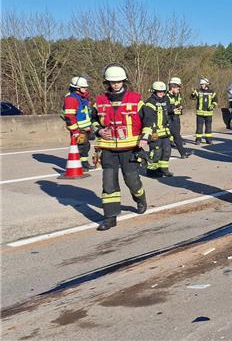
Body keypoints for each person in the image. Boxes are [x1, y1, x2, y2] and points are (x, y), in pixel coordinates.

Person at [92, 64, 148, 231]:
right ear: (107, 82)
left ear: (124, 81)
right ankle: (110, 217)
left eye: (118, 81)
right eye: (112, 82)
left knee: (131, 180)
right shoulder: (99, 101)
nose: (115, 84)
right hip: (108, 149)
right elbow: (92, 121)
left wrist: (144, 138)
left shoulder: (136, 100)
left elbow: (148, 121)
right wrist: (99, 130)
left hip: (129, 148)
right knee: (108, 183)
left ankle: (140, 198)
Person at [141, 81, 174, 178]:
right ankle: (152, 170)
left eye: (163, 91)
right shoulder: (150, 102)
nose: (161, 93)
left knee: (167, 151)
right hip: (154, 132)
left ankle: (164, 169)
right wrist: (150, 131)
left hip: (165, 131)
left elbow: (169, 112)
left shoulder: (166, 100)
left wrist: (174, 110)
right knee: (156, 152)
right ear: (154, 91)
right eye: (159, 91)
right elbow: (147, 119)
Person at [62, 76, 95, 170]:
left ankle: (84, 163)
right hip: (78, 129)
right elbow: (69, 117)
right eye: (84, 87)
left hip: (85, 128)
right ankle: (80, 165)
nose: (86, 89)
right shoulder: (71, 99)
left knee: (85, 146)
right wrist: (75, 131)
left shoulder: (83, 98)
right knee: (80, 147)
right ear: (77, 88)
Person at [168, 77, 191, 158]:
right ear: (172, 87)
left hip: (176, 118)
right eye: (178, 87)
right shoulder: (166, 96)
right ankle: (182, 153)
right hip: (169, 119)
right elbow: (165, 109)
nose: (179, 89)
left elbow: (177, 103)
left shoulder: (177, 94)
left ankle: (183, 153)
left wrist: (179, 107)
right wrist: (173, 109)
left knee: (177, 136)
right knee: (174, 137)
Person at [191, 78, 218, 144]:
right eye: (201, 84)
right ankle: (198, 140)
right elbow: (192, 98)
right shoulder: (198, 91)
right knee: (199, 127)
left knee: (208, 127)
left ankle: (208, 140)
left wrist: (212, 105)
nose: (202, 85)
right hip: (200, 113)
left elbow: (215, 101)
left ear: (207, 84)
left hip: (209, 113)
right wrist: (193, 93)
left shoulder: (212, 92)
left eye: (203, 84)